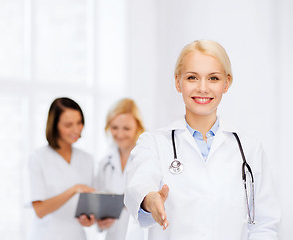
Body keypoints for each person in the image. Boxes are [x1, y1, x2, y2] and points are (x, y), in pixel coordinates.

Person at [124, 40, 281, 239]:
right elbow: (138, 186)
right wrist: (151, 200)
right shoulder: (153, 143)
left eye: (213, 78)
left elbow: (265, 224)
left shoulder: (249, 148)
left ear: (227, 83)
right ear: (177, 82)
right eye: (192, 77)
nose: (203, 88)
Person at [24, 97, 96, 240]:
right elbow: (40, 210)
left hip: (77, 235)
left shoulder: (87, 159)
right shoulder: (38, 158)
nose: (76, 129)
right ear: (54, 125)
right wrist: (73, 189)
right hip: (47, 235)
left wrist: (89, 220)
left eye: (79, 122)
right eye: (68, 125)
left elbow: (88, 206)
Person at [96, 98, 146, 240]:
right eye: (114, 127)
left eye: (126, 128)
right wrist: (100, 221)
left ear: (138, 126)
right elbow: (99, 207)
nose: (120, 134)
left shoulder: (147, 159)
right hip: (113, 235)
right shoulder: (105, 163)